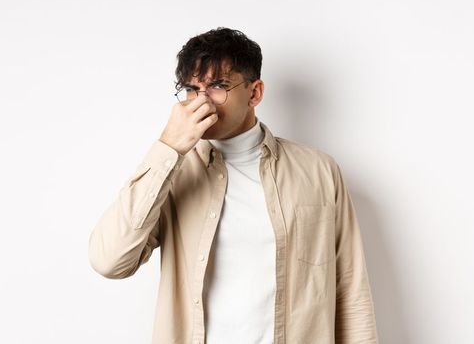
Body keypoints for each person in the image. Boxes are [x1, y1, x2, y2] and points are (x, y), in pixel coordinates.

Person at [87, 27, 379, 343]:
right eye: (190, 89)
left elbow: (350, 289)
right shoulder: (171, 173)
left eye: (216, 86)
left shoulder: (318, 170)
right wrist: (169, 147)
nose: (201, 102)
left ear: (254, 93)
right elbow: (109, 261)